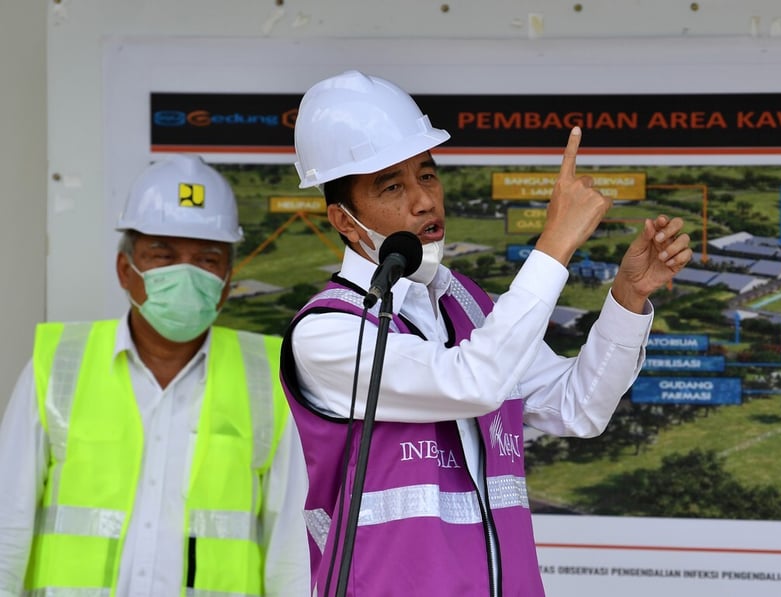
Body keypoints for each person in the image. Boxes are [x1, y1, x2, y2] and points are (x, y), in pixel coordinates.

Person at [279, 70, 692, 597]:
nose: (424, 201)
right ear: (343, 220)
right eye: (392, 186)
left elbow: (578, 407)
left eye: (427, 175)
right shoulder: (326, 333)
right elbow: (473, 382)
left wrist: (628, 297)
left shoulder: (467, 304)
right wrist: (555, 243)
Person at [0, 154, 310, 596]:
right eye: (163, 255)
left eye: (207, 259)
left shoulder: (269, 377)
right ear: (125, 270)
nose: (185, 273)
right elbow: (7, 525)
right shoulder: (59, 364)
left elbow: (292, 553)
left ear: (227, 280)